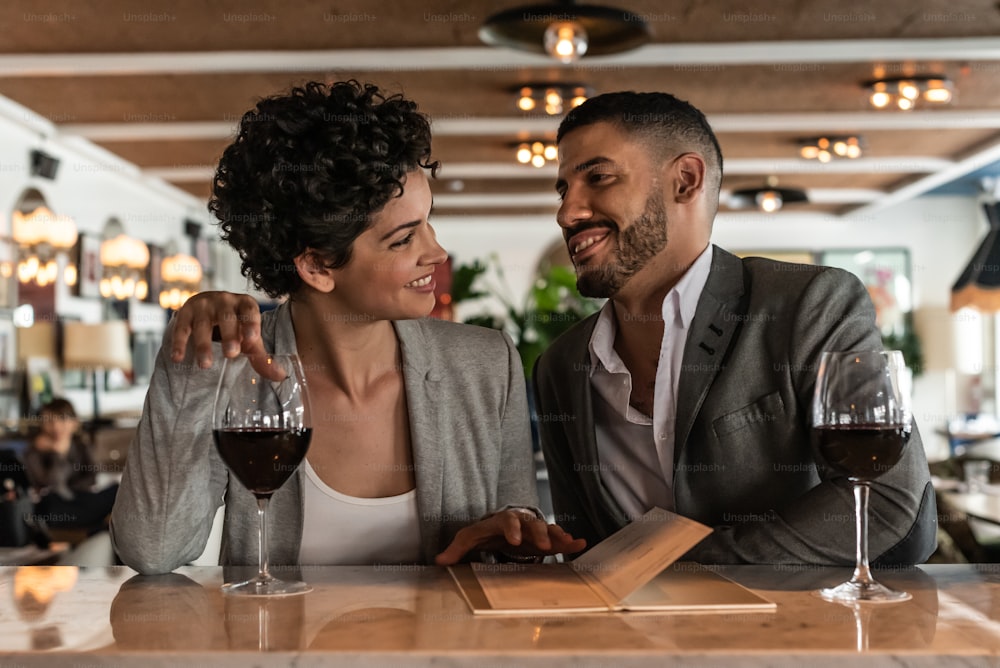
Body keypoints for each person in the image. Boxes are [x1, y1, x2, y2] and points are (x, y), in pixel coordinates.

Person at [110, 80, 584, 574]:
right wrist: (193, 366)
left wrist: (513, 531)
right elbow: (153, 550)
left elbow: (516, 532)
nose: (437, 253)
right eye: (404, 240)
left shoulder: (485, 363)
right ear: (317, 267)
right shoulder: (235, 370)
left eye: (428, 222)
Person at [532, 91, 937, 565]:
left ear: (685, 180)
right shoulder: (559, 367)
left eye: (597, 178)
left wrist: (685, 566)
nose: (567, 213)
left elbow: (884, 498)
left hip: (805, 628)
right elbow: (585, 553)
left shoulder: (808, 305)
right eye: (563, 190)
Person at [24, 398, 118, 536]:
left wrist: (74, 491)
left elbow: (91, 477)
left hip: (80, 501)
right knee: (50, 504)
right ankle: (95, 525)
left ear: (74, 423)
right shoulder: (33, 453)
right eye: (49, 421)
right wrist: (58, 454)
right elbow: (52, 485)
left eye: (62, 419)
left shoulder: (81, 446)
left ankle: (95, 525)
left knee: (118, 490)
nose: (56, 426)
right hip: (55, 508)